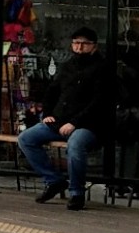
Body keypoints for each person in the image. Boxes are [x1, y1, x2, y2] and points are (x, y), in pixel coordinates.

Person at [17, 27, 110, 211]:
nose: (79, 47)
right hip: (59, 121)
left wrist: (74, 123)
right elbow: (52, 91)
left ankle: (77, 193)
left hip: (88, 126)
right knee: (25, 139)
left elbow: (99, 103)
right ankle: (53, 180)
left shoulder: (102, 68)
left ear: (94, 46)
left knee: (75, 145)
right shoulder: (68, 65)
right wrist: (48, 114)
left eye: (84, 44)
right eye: (76, 43)